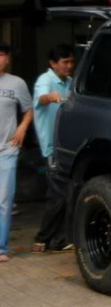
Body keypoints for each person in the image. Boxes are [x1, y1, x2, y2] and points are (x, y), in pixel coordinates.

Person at [30, 45, 75, 254]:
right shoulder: (45, 81)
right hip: (51, 149)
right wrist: (50, 97)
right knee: (59, 194)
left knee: (62, 193)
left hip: (66, 148)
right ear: (53, 63)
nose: (69, 66)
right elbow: (40, 99)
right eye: (65, 62)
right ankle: (45, 238)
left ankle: (54, 239)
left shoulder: (70, 83)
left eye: (71, 62)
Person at [0, 44, 33, 263]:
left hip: (7, 149)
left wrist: (22, 127)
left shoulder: (17, 83)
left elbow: (28, 110)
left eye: (1, 55)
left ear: (7, 59)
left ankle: (1, 248)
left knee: (4, 200)